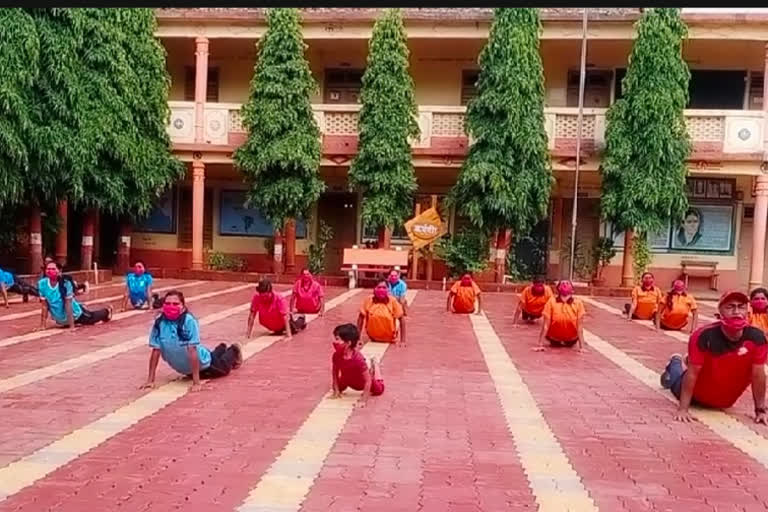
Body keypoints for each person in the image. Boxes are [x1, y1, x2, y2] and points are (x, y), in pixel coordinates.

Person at [660, 290, 768, 425]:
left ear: (747, 311)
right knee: (676, 379)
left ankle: (689, 359)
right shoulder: (703, 336)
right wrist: (683, 409)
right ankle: (675, 362)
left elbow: (758, 375)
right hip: (696, 396)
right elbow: (692, 374)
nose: (736, 311)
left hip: (724, 401)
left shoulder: (757, 338)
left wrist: (760, 411)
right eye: (730, 307)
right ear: (720, 311)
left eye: (741, 306)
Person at [140, 290, 243, 392]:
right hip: (186, 370)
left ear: (183, 307)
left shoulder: (188, 321)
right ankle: (221, 348)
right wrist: (150, 380)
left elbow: (192, 350)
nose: (171, 306)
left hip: (204, 364)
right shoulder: (159, 323)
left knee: (224, 368)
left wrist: (196, 383)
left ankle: (234, 349)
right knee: (211, 358)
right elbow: (155, 351)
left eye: (175, 304)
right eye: (167, 304)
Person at [37, 261, 111, 330]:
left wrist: (71, 326)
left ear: (59, 271)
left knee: (92, 319)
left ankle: (107, 311)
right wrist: (42, 325)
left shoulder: (65, 283)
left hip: (76, 315)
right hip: (61, 319)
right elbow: (44, 306)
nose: (50, 271)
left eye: (53, 269)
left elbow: (68, 304)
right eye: (48, 269)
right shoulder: (42, 284)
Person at [330, 323, 384, 407]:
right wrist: (336, 390)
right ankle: (371, 368)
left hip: (362, 382)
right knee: (336, 388)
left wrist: (363, 400)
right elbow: (335, 373)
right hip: (347, 380)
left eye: (337, 339)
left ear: (348, 343)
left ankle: (375, 366)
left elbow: (368, 381)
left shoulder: (358, 359)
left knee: (379, 390)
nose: (334, 342)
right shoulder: (336, 356)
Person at [534, 280, 585, 352]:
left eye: (567, 283)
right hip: (554, 338)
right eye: (562, 283)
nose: (565, 285)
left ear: (572, 290)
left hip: (571, 339)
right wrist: (540, 344)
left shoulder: (578, 303)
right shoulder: (551, 301)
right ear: (558, 289)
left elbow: (579, 327)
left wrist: (582, 347)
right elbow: (545, 325)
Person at [358, 280, 406, 346]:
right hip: (373, 338)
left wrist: (403, 341)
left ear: (388, 289)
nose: (381, 289)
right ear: (374, 289)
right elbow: (360, 317)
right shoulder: (368, 300)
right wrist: (358, 338)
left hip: (390, 338)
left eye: (384, 287)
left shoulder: (392, 301)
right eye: (379, 287)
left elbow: (401, 319)